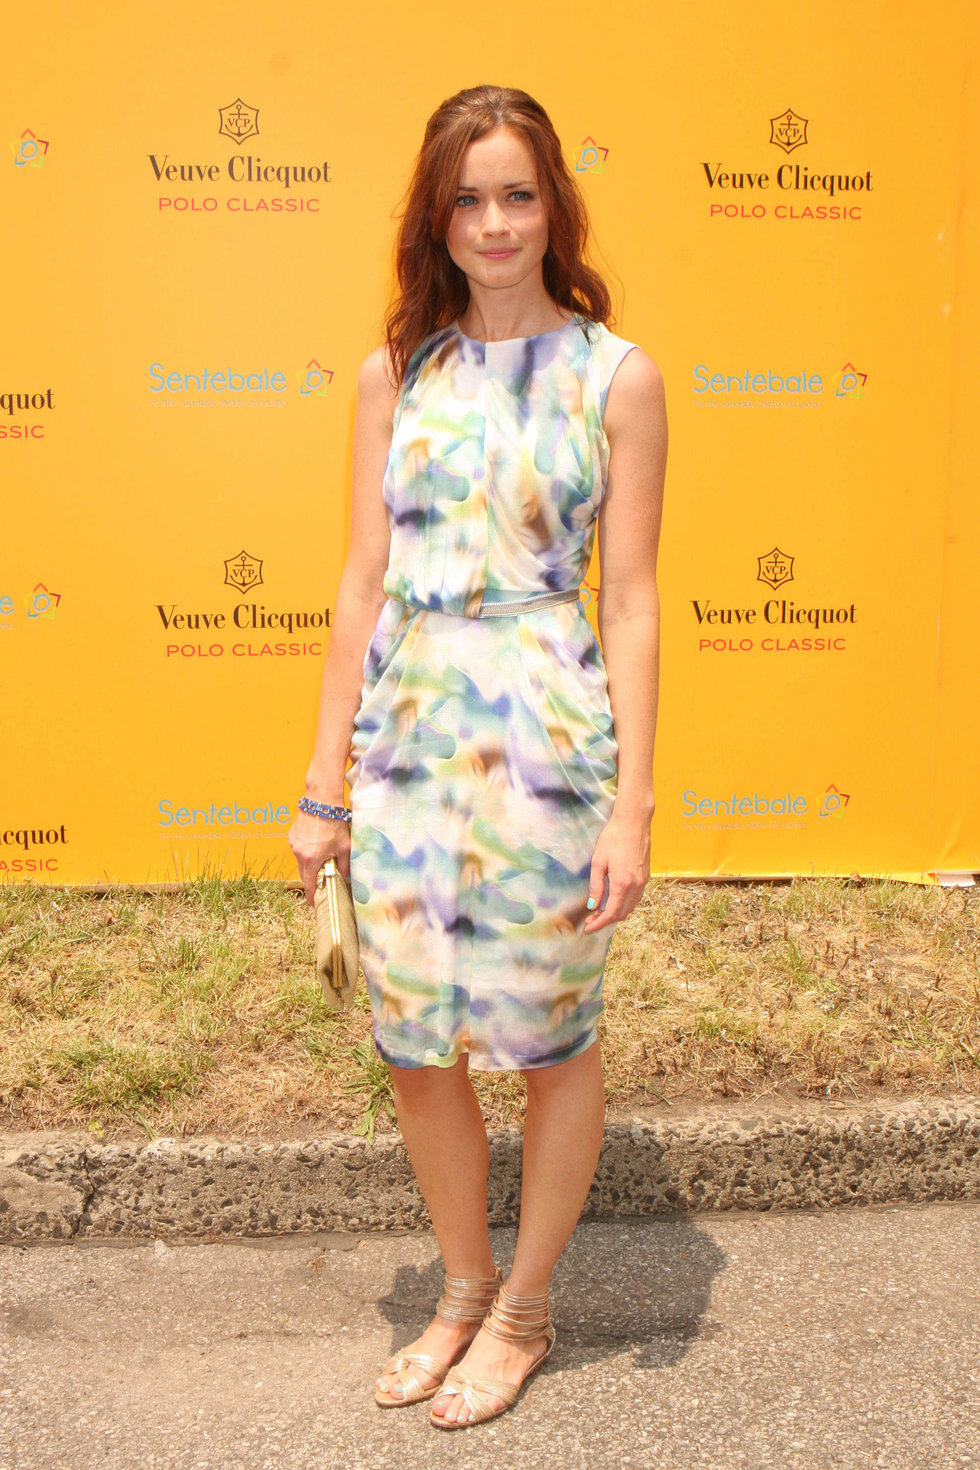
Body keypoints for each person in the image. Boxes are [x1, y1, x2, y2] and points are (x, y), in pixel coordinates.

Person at [288, 83, 666, 1430]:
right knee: (416, 1044)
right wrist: (323, 786)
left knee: (550, 1041)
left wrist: (631, 808)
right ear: (434, 216)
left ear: (553, 201)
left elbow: (628, 601)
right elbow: (357, 586)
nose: (494, 222)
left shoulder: (617, 378)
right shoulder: (400, 372)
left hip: (546, 744)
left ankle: (525, 1305)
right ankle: (461, 1283)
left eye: (518, 193)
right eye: (468, 197)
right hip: (407, 745)